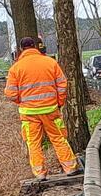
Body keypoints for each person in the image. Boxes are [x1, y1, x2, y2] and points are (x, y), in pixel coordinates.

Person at [4, 35, 79, 178]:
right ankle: (70, 168)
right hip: (50, 109)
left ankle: (40, 173)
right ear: (36, 46)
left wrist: (21, 101)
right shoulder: (50, 63)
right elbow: (62, 85)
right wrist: (59, 102)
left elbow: (10, 94)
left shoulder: (15, 68)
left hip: (29, 113)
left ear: (21, 49)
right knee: (58, 138)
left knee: (33, 143)